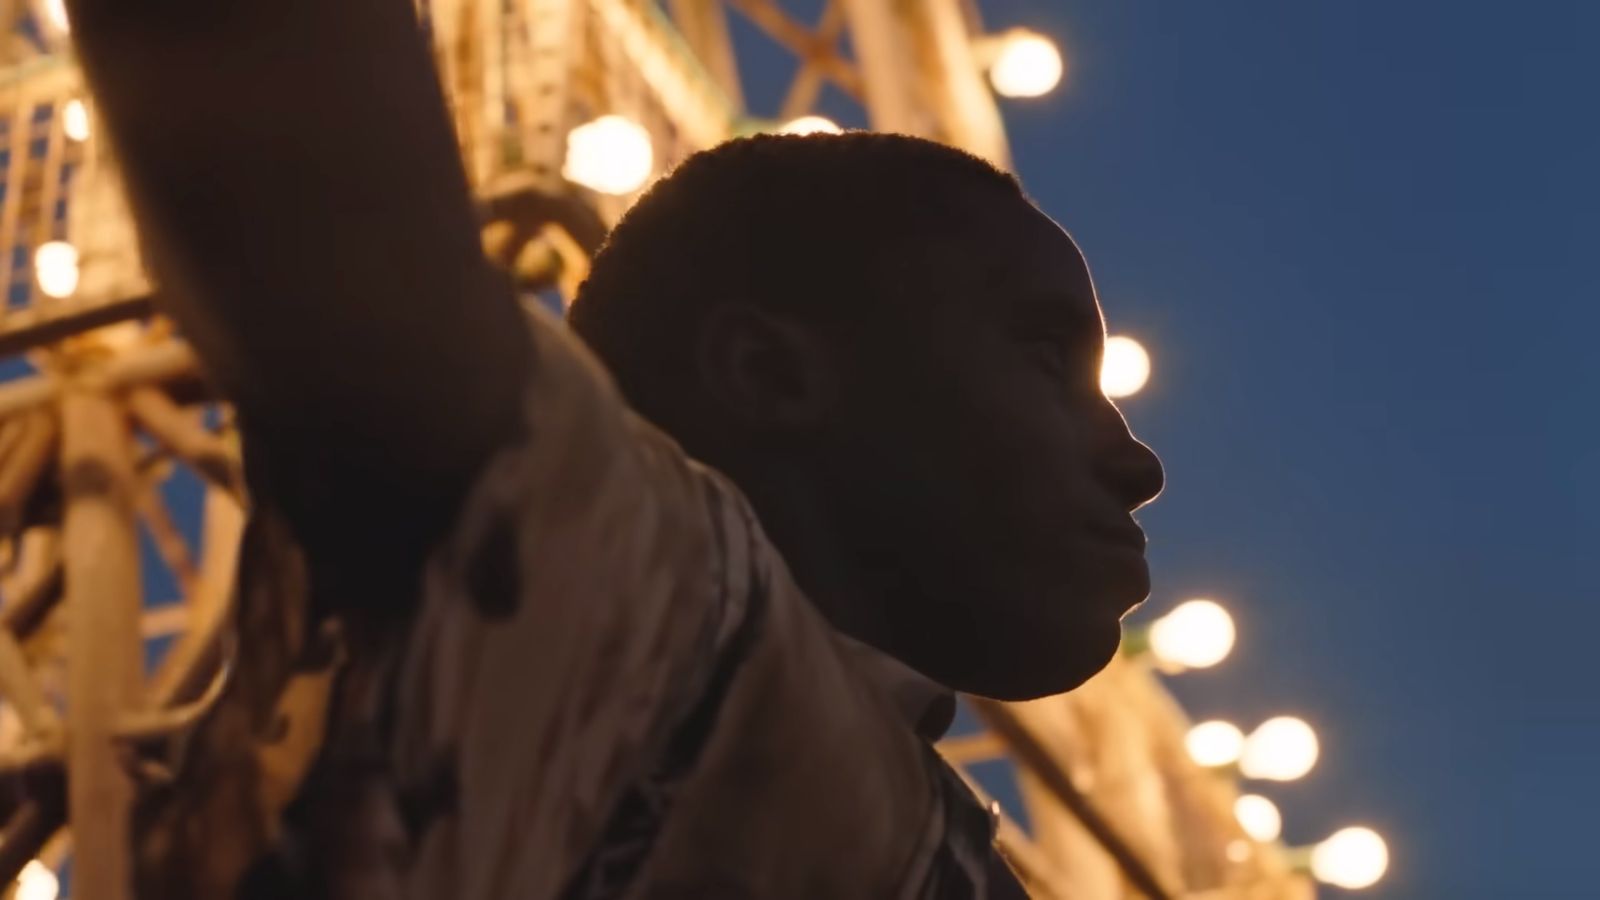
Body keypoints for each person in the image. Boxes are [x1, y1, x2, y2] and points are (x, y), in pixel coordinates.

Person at [65, 0, 1161, 897]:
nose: (1136, 464)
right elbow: (298, 174)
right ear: (773, 374)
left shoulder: (904, 819)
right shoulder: (625, 597)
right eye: (1038, 357)